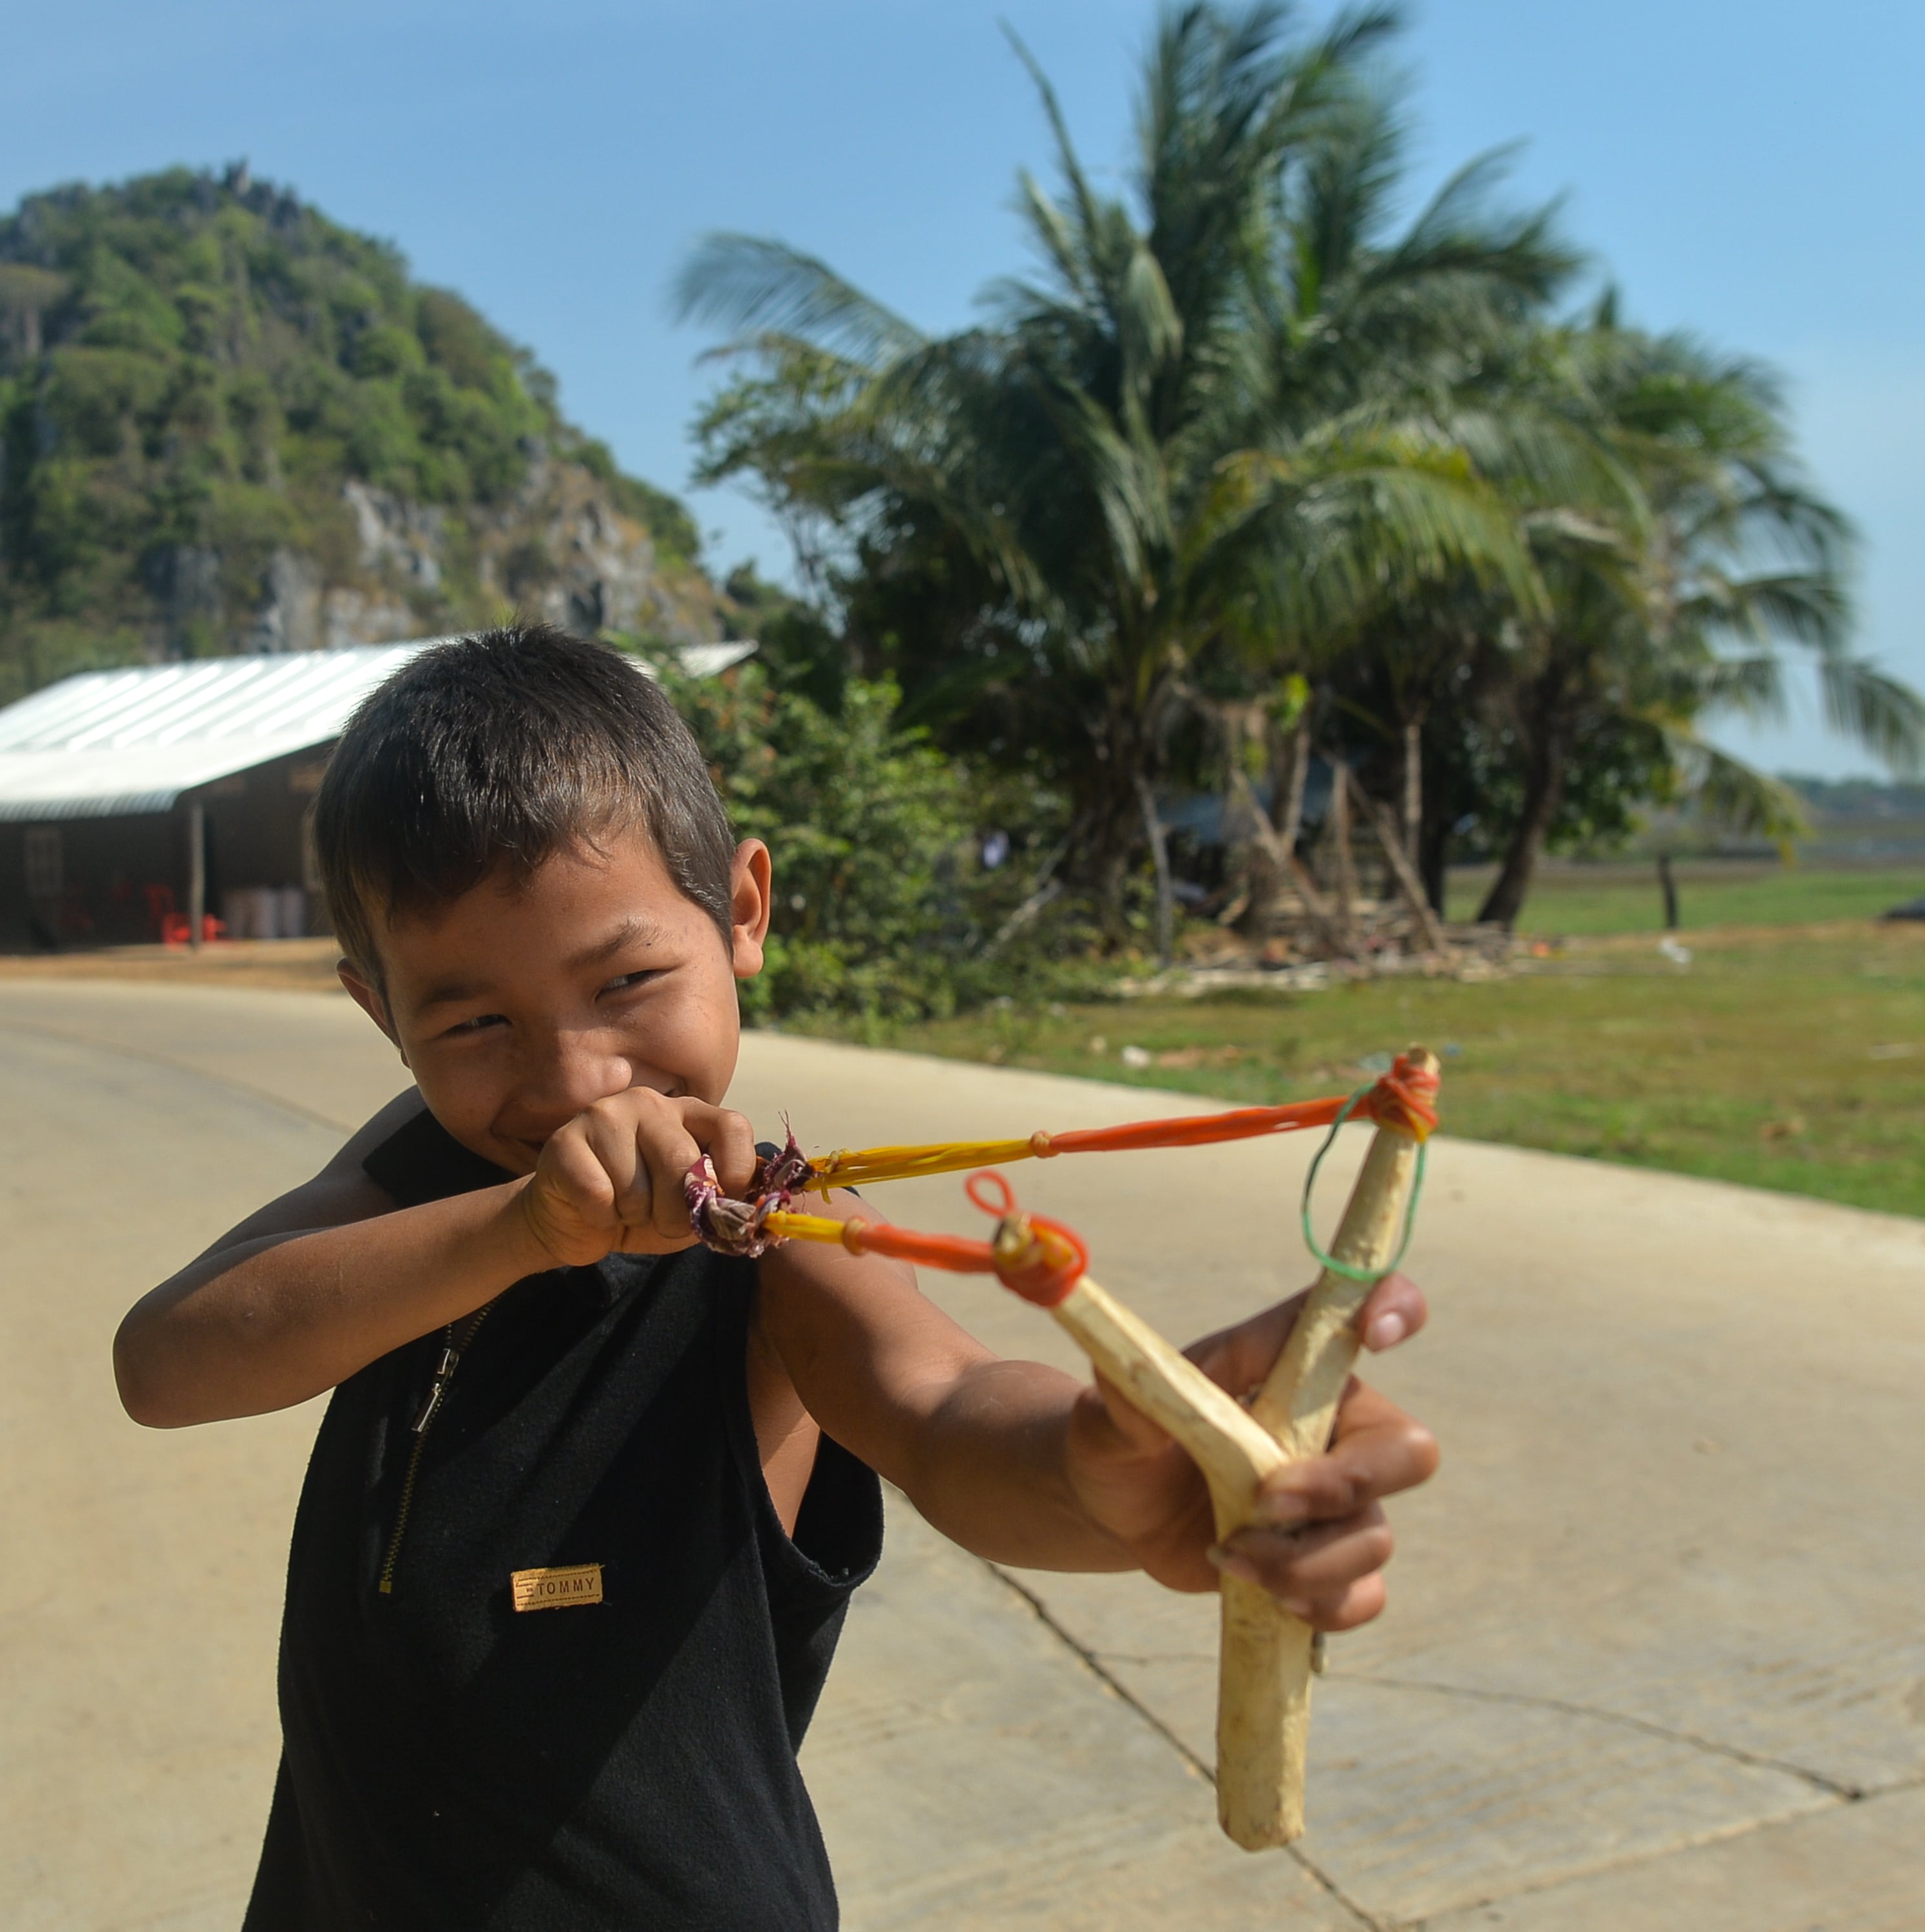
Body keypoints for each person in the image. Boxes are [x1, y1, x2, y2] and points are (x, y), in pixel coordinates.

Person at [112, 627, 1438, 1929]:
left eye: (627, 979)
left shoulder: (773, 1236)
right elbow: (166, 1362)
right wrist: (522, 1227)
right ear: (378, 1012)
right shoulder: (422, 1174)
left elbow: (945, 1405)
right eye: (472, 1023)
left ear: (742, 912)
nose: (573, 1082)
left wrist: (1111, 1474)